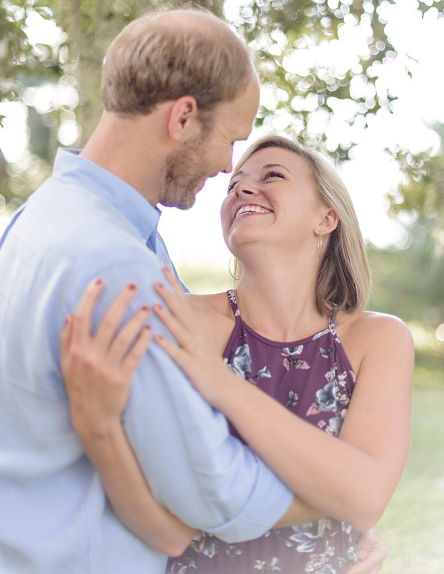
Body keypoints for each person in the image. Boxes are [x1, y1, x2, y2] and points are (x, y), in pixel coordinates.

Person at [0, 9, 386, 573]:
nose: (227, 168)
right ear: (183, 118)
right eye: (229, 141)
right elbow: (213, 486)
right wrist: (340, 507)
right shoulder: (114, 264)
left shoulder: (46, 220)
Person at [61, 134, 414, 573]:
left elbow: (365, 502)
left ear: (326, 218)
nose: (242, 189)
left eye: (273, 176)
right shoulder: (180, 319)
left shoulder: (378, 340)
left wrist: (221, 384)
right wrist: (332, 490)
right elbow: (168, 530)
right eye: (235, 184)